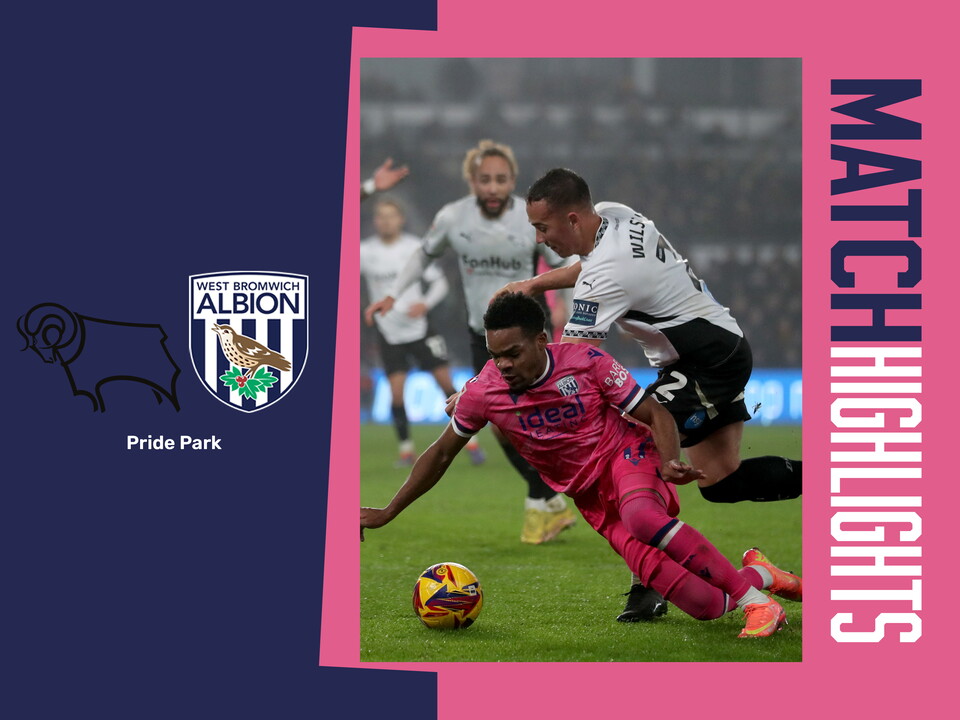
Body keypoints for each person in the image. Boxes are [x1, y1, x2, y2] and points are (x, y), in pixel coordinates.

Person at [361, 292, 802, 639]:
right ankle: (763, 574)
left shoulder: (586, 362)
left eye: (513, 352)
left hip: (626, 459)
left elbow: (654, 413)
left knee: (644, 517)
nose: (505, 364)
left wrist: (668, 460)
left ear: (540, 340)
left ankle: (757, 604)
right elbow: (440, 453)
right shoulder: (484, 392)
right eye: (497, 355)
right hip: (592, 501)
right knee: (705, 606)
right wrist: (388, 511)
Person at [504, 167, 802, 622]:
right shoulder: (614, 216)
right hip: (719, 344)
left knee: (635, 445)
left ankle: (646, 588)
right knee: (721, 482)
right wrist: (533, 285)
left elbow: (574, 359)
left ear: (573, 219)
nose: (541, 238)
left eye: (543, 227)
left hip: (705, 360)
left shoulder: (608, 274)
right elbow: (588, 269)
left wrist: (493, 382)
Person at [365, 140, 576, 545]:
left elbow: (562, 263)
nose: (493, 187)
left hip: (530, 336)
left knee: (533, 420)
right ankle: (546, 499)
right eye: (485, 180)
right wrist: (395, 293)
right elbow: (423, 256)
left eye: (500, 179)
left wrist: (565, 308)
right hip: (483, 337)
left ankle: (543, 500)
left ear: (512, 181)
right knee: (503, 425)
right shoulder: (452, 217)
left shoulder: (530, 219)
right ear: (472, 182)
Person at [360, 198, 484, 466]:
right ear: (375, 221)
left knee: (446, 385)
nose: (386, 221)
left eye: (391, 215)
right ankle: (406, 451)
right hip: (388, 331)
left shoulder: (414, 247)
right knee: (395, 393)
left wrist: (424, 304)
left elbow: (439, 283)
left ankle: (472, 443)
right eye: (381, 216)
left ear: (400, 219)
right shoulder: (364, 252)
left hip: (420, 329)